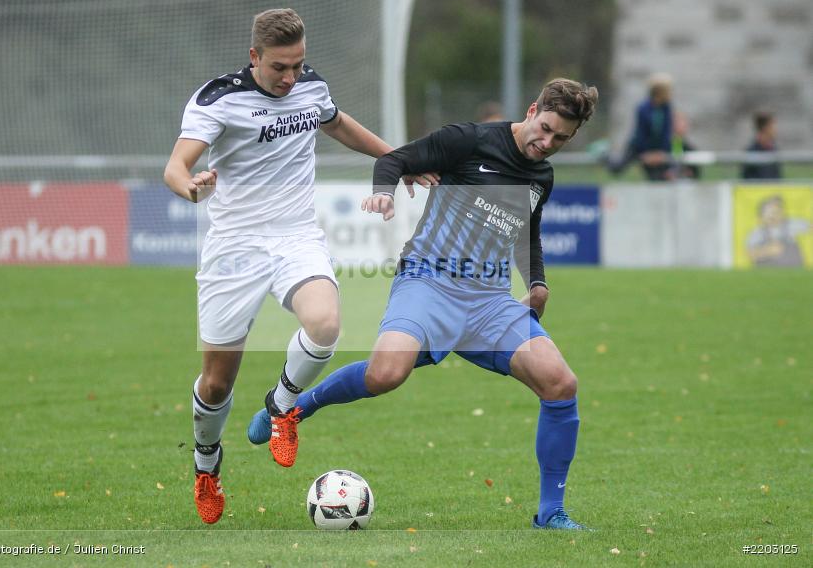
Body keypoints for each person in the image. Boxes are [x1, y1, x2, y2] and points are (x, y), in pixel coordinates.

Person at [248, 78, 599, 530]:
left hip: (489, 300)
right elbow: (396, 158)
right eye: (545, 128)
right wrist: (384, 191)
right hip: (429, 280)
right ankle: (295, 409)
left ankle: (551, 513)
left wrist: (537, 282)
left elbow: (525, 233)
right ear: (532, 110)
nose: (546, 143)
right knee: (385, 375)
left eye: (560, 140)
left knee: (561, 384)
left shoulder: (541, 176)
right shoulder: (470, 140)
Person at [163, 8, 432, 525]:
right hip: (234, 247)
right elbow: (177, 165)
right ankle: (206, 464)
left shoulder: (310, 87)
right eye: (279, 67)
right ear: (254, 57)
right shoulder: (218, 98)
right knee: (216, 383)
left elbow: (339, 125)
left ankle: (283, 403)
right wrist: (189, 186)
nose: (290, 78)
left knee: (326, 324)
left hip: (294, 236)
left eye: (298, 65)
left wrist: (399, 159)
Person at [609, 73, 672, 180]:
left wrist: (661, 152)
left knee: (659, 176)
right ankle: (604, 155)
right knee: (617, 167)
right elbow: (640, 133)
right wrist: (645, 153)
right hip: (639, 147)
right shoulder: (643, 108)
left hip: (657, 149)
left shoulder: (666, 108)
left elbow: (666, 131)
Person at [746, 195, 811, 267]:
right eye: (770, 212)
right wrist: (767, 251)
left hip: (794, 271)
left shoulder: (790, 225)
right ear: (761, 216)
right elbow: (751, 255)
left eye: (776, 211)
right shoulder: (758, 233)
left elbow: (809, 227)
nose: (773, 215)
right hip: (767, 273)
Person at [741, 112, 782, 180]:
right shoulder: (751, 151)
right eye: (772, 126)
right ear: (765, 127)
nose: (775, 130)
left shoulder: (774, 150)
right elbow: (747, 180)